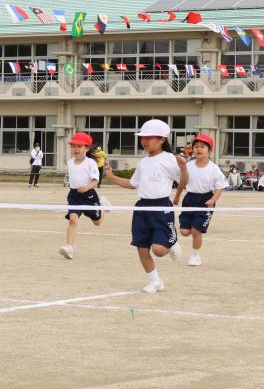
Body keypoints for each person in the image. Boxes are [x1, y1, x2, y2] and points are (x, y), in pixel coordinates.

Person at [104, 119, 188, 293]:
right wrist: (112, 178)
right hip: (142, 207)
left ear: (161, 139)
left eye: (149, 137)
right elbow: (133, 183)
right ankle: (155, 280)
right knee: (142, 248)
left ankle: (171, 243)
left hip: (161, 207)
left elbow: (184, 182)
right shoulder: (143, 162)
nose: (144, 141)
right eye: (142, 137)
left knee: (158, 250)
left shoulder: (170, 159)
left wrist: (184, 169)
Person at [174, 135, 228, 267]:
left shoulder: (214, 168)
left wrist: (213, 199)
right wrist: (177, 196)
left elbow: (220, 186)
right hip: (190, 198)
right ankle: (173, 244)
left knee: (195, 230)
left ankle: (195, 255)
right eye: (196, 147)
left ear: (209, 150)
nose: (199, 149)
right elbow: (182, 182)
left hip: (206, 200)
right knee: (184, 232)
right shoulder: (188, 166)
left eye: (202, 147)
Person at [59, 133, 109, 260]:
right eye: (73, 146)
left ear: (86, 148)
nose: (75, 149)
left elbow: (95, 180)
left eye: (79, 146)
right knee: (73, 220)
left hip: (89, 195)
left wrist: (86, 187)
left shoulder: (91, 163)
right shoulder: (70, 162)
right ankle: (69, 247)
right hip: (74, 196)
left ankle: (104, 208)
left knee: (97, 222)